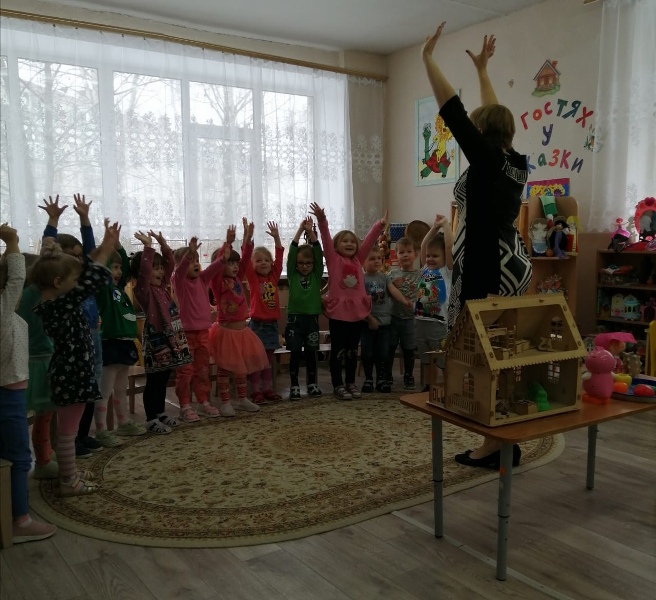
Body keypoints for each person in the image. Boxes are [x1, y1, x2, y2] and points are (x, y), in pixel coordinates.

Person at [422, 24, 530, 468]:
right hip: (511, 264)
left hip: (488, 269)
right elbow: (493, 116)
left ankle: (493, 444)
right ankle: (505, 440)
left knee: (479, 359)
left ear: (483, 134)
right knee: (496, 355)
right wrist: (484, 71)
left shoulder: (486, 160)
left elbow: (453, 109)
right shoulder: (514, 162)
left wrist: (428, 59)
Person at [32, 220, 119, 496]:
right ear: (58, 283)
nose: (77, 285)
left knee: (68, 430)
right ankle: (68, 481)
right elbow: (90, 282)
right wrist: (106, 249)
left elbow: (85, 280)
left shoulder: (59, 304)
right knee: (68, 433)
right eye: (72, 281)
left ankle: (69, 473)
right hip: (71, 376)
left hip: (73, 373)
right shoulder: (58, 306)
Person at [0, 223, 57, 541]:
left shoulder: (9, 311)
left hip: (10, 389)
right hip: (7, 393)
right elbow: (18, 275)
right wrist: (12, 241)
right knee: (20, 456)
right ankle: (19, 521)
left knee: (9, 454)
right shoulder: (4, 310)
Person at [40, 194, 105, 459]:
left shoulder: (78, 279)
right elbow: (47, 256)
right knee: (75, 395)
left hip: (92, 335)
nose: (79, 262)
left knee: (90, 388)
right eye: (73, 257)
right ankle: (70, 440)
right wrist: (52, 222)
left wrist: (85, 221)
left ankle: (82, 434)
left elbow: (90, 255)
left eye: (79, 257)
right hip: (72, 345)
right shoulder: (62, 295)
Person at [309, 202, 387, 400]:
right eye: (345, 241)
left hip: (356, 313)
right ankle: (338, 384)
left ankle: (351, 382)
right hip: (338, 314)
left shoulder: (358, 259)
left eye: (352, 241)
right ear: (336, 246)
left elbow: (369, 241)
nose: (350, 244)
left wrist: (379, 225)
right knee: (338, 351)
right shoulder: (333, 259)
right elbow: (325, 238)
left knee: (352, 350)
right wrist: (322, 219)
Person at [130, 230, 192, 434]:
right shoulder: (143, 291)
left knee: (164, 378)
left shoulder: (163, 286)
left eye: (159, 268)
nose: (159, 272)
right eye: (154, 268)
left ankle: (160, 412)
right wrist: (148, 248)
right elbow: (144, 273)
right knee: (154, 381)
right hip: (156, 342)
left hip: (170, 340)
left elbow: (170, 263)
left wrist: (163, 244)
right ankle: (151, 418)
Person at [208, 224, 269, 416]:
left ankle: (242, 399)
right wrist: (227, 244)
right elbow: (218, 265)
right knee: (225, 369)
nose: (235, 267)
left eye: (236, 263)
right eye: (230, 263)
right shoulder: (217, 282)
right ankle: (226, 402)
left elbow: (245, 259)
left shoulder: (237, 278)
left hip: (242, 332)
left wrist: (247, 238)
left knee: (242, 368)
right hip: (226, 333)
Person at [94, 234, 146, 442]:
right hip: (110, 345)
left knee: (120, 389)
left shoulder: (119, 290)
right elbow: (99, 273)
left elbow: (124, 266)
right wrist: (107, 249)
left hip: (125, 344)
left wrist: (119, 247)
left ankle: (123, 423)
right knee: (104, 391)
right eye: (113, 267)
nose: (118, 272)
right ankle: (101, 430)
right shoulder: (105, 292)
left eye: (119, 268)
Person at [171, 236, 226, 421]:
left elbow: (214, 268)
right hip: (184, 335)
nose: (195, 263)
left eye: (197, 260)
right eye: (190, 260)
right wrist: (189, 254)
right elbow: (180, 272)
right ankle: (184, 405)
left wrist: (225, 253)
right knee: (185, 372)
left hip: (203, 333)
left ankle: (203, 401)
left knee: (202, 370)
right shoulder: (178, 280)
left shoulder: (202, 279)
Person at [16, 253, 59, 479]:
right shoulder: (29, 296)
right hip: (36, 363)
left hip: (41, 359)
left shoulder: (26, 297)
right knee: (41, 416)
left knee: (43, 416)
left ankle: (44, 455)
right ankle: (41, 460)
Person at [361, 245, 413, 393]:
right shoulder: (362, 279)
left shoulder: (384, 277)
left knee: (383, 354)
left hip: (385, 324)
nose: (377, 261)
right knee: (367, 353)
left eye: (379, 258)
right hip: (367, 324)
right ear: (363, 262)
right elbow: (359, 302)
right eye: (372, 259)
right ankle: (368, 379)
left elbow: (393, 290)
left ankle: (381, 379)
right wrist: (370, 319)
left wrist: (404, 301)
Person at [243, 220, 284, 404]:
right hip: (257, 326)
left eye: (267, 260)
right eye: (258, 260)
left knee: (267, 361)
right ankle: (256, 391)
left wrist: (276, 238)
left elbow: (280, 259)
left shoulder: (273, 277)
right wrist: (248, 238)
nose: (263, 263)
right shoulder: (253, 279)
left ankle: (267, 389)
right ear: (252, 265)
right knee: (255, 361)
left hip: (271, 326)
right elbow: (245, 259)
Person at [285, 217, 324, 400]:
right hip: (294, 319)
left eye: (308, 263)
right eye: (301, 263)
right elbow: (292, 253)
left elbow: (319, 253)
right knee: (294, 354)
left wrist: (311, 234)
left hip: (312, 319)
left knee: (311, 353)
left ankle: (312, 384)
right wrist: (300, 231)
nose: (304, 266)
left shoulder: (316, 275)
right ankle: (294, 386)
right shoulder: (292, 275)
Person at [415, 214, 453, 389]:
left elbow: (449, 246)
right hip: (421, 321)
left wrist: (445, 225)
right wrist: (434, 227)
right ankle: (429, 387)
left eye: (435, 256)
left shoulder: (447, 271)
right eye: (428, 256)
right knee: (427, 359)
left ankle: (448, 386)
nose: (429, 258)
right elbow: (424, 245)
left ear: (444, 257)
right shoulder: (425, 269)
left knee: (442, 360)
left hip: (438, 324)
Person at [387, 237, 421, 390]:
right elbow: (384, 295)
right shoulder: (391, 274)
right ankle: (387, 375)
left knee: (409, 349)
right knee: (390, 347)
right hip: (393, 317)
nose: (405, 255)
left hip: (410, 319)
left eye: (409, 252)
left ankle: (409, 375)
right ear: (396, 255)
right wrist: (391, 286)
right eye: (401, 252)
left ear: (416, 254)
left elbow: (425, 295)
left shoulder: (420, 275)